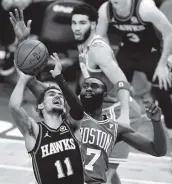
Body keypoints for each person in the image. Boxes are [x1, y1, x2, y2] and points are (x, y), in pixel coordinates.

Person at [50, 53, 167, 184]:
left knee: (109, 170)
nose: (88, 88)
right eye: (85, 86)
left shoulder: (115, 129)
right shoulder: (75, 119)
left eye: (94, 87)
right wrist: (58, 77)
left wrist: (156, 123)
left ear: (105, 96)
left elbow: (157, 150)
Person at [70, 4, 142, 184]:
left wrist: (124, 116)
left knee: (99, 176)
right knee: (106, 172)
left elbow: (122, 82)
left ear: (94, 25)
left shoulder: (98, 49)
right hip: (103, 115)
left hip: (119, 114)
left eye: (82, 23)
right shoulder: (82, 46)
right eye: (74, 23)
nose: (77, 27)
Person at [9, 62, 84, 184]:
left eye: (60, 96)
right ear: (40, 105)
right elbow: (14, 107)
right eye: (52, 94)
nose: (57, 97)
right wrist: (23, 80)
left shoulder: (72, 126)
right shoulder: (35, 131)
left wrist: (59, 78)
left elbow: (78, 109)